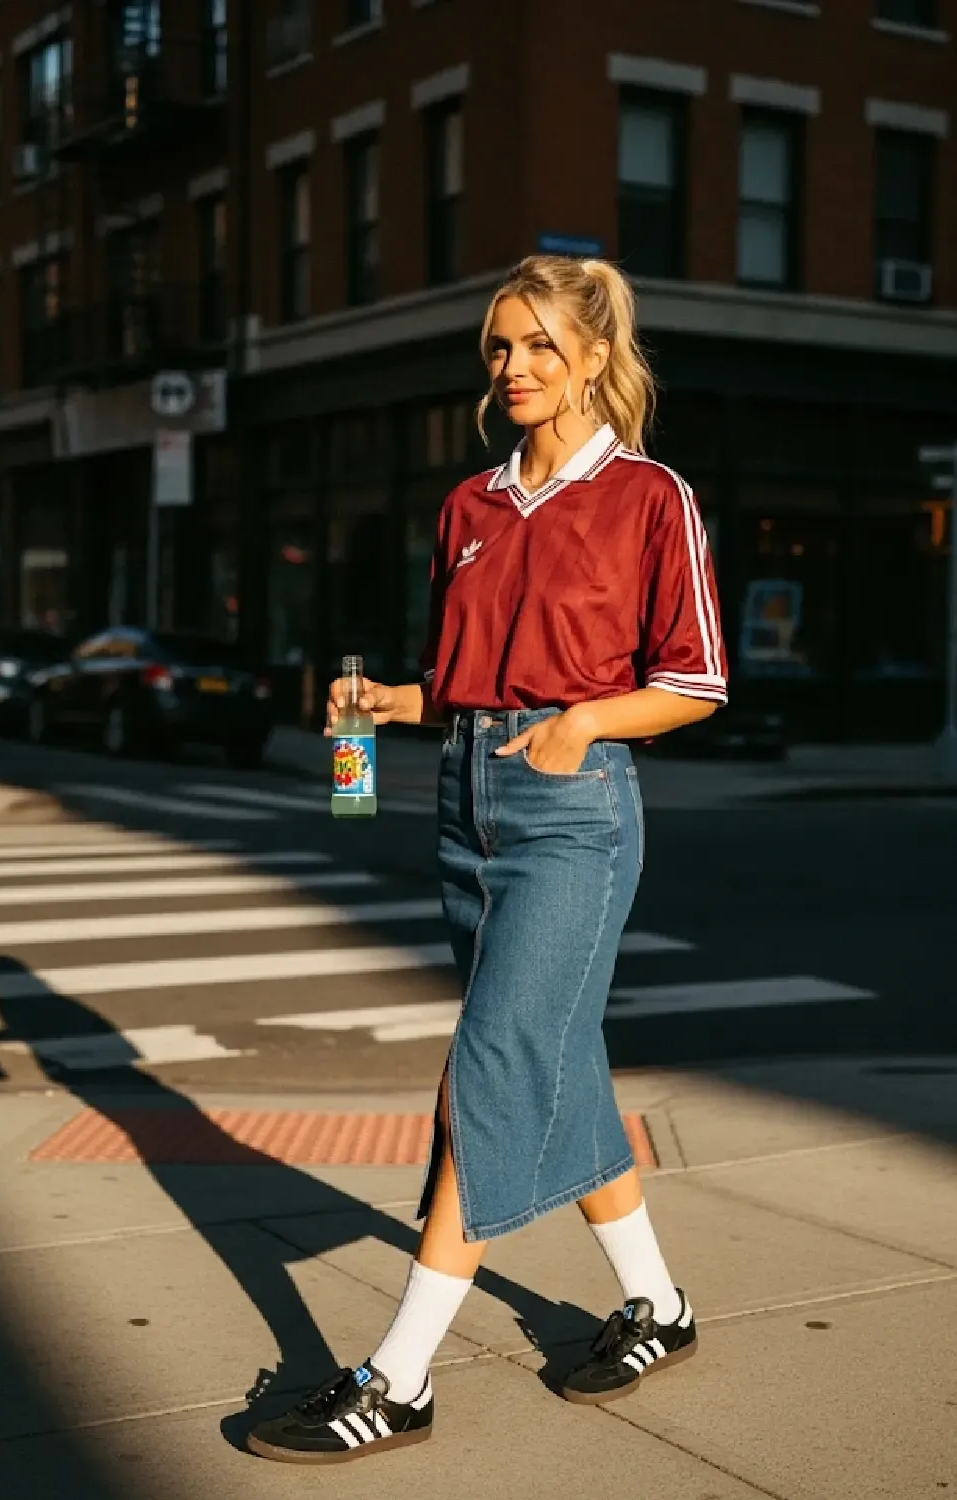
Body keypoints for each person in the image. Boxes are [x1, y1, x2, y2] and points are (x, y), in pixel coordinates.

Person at [248, 255, 727, 1466]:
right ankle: (659, 1307)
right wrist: (382, 705)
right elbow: (458, 674)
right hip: (463, 805)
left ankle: (398, 1376)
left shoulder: (648, 497)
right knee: (557, 1062)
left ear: (592, 356)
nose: (509, 369)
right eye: (498, 349)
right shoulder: (468, 507)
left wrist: (578, 722)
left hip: (575, 810)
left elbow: (695, 680)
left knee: (494, 1067)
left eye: (534, 347)